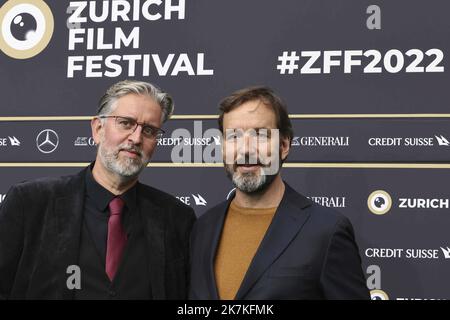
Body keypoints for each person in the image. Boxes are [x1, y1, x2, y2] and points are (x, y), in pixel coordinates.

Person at [0, 80, 196, 299]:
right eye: (125, 123)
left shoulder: (177, 219)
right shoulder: (30, 203)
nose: (136, 138)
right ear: (98, 129)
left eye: (149, 130)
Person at [189, 86, 369, 300]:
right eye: (234, 136)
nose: (246, 149)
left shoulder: (326, 231)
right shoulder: (203, 227)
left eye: (260, 135)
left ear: (284, 145)